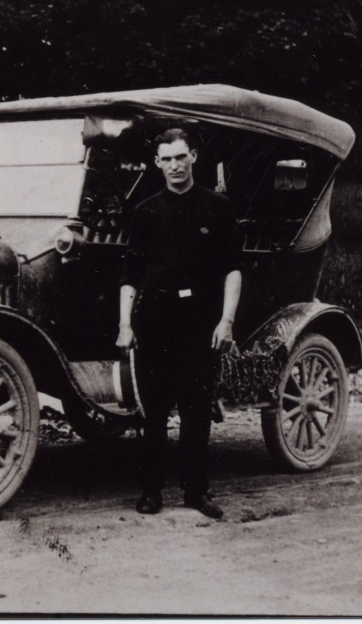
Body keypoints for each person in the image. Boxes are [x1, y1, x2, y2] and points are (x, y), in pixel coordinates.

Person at [116, 128, 242, 518]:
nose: (174, 165)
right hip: (155, 319)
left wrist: (227, 321)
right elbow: (130, 275)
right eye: (166, 159)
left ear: (193, 158)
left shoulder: (218, 208)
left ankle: (195, 492)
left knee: (197, 409)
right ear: (157, 164)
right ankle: (151, 491)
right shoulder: (146, 211)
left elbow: (233, 270)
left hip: (200, 323)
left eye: (180, 157)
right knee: (153, 411)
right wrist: (125, 324)